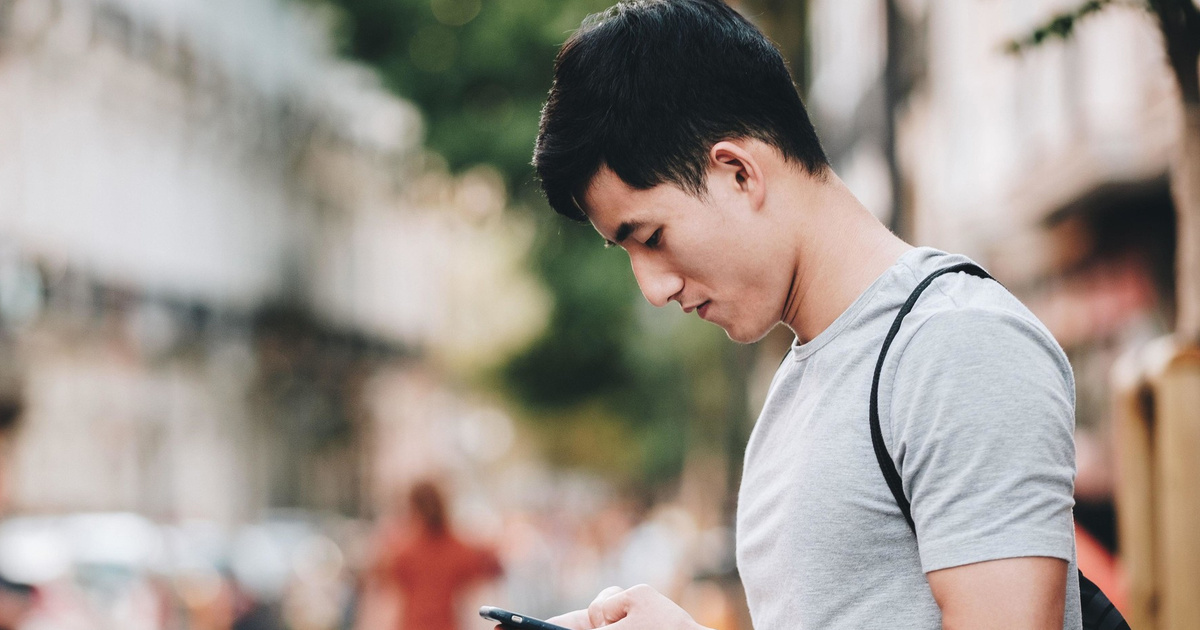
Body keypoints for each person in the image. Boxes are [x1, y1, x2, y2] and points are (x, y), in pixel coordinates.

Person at [529, 1, 1083, 628]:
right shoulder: (804, 380)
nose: (652, 288)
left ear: (738, 172)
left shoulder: (955, 344)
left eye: (651, 237)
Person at [370, 481, 502, 630]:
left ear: (414, 508)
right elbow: (491, 567)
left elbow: (382, 584)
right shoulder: (459, 548)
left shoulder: (402, 551)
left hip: (412, 625)